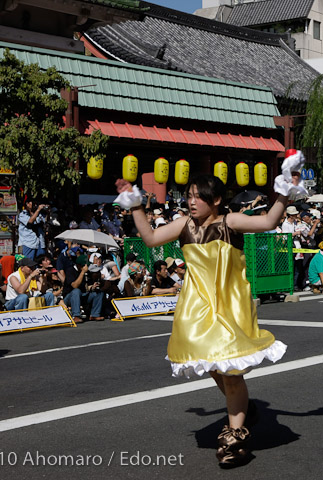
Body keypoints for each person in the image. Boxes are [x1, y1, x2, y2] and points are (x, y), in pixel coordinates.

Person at [113, 148, 304, 468]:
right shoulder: (185, 225)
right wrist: (135, 204)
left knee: (229, 373)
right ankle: (245, 409)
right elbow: (149, 238)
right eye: (189, 195)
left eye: (197, 196)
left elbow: (270, 220)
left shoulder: (231, 221)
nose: (191, 201)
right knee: (213, 366)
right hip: (196, 306)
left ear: (215, 200)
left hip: (229, 303)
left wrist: (284, 189)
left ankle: (235, 436)